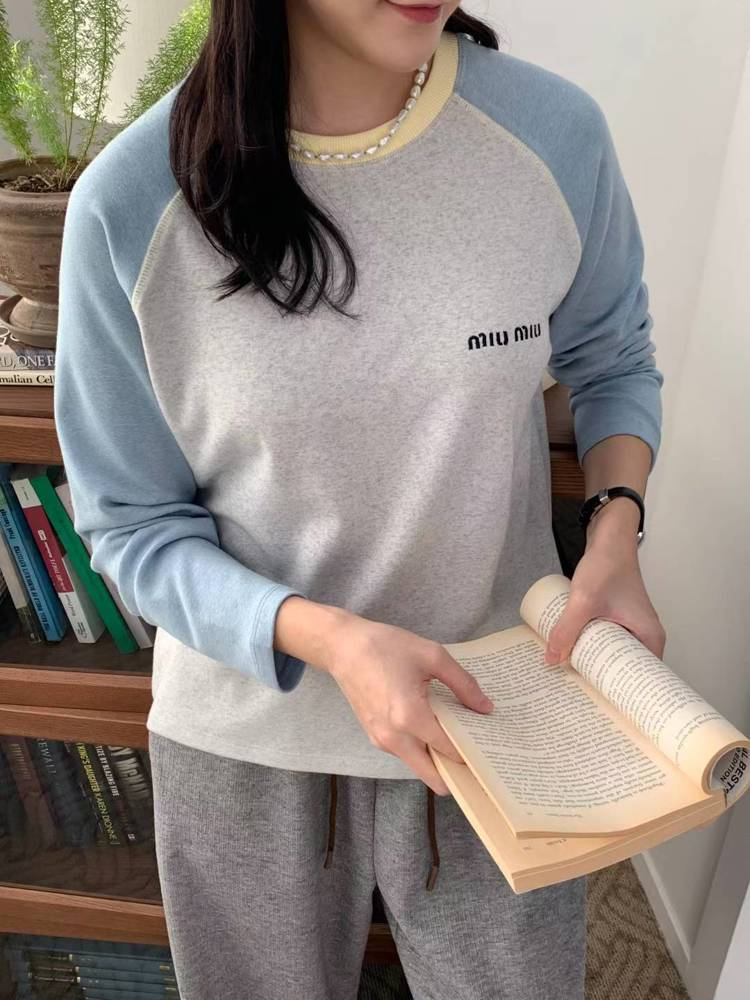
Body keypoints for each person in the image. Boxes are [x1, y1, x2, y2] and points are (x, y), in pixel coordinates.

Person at [54, 1, 666, 997]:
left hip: (498, 707)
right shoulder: (132, 200)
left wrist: (616, 528)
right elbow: (132, 525)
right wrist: (334, 640)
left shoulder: (553, 135)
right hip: (249, 735)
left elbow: (613, 358)